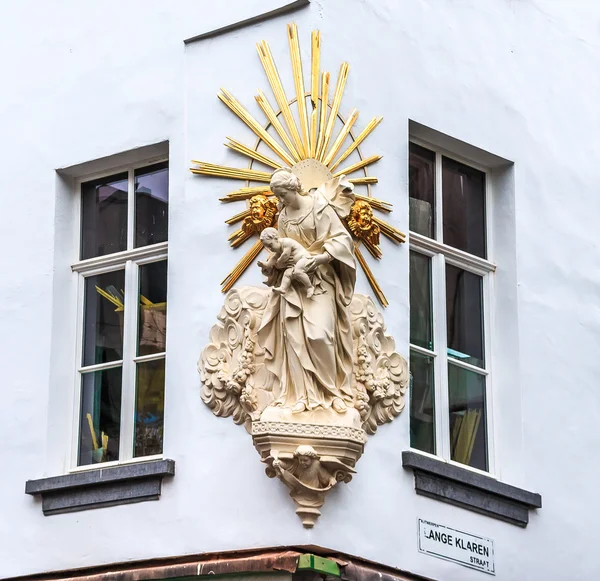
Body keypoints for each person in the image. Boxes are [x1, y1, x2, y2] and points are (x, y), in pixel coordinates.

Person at [257, 168, 356, 414]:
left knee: (320, 335)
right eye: (278, 196)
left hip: (321, 280)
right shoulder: (283, 218)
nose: (280, 200)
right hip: (294, 287)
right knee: (294, 339)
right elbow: (281, 250)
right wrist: (273, 268)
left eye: (282, 194)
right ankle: (301, 395)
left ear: (292, 188)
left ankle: (331, 393)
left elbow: (343, 240)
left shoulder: (319, 207)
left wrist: (322, 258)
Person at [258, 227, 318, 298]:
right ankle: (283, 288)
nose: (270, 249)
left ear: (276, 239)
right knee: (287, 274)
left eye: (270, 245)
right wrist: (266, 264)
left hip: (304, 259)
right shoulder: (279, 249)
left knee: (298, 272)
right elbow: (274, 258)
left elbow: (285, 255)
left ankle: (309, 287)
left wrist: (279, 262)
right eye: (268, 247)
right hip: (294, 265)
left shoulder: (286, 242)